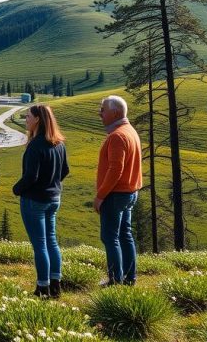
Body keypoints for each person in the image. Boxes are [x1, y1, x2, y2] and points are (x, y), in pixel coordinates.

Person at [12, 103, 69, 298]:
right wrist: (52, 183)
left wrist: (16, 189)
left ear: (37, 119)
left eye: (28, 116)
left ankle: (42, 287)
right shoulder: (58, 143)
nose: (26, 120)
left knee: (40, 245)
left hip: (34, 200)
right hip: (54, 198)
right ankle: (55, 285)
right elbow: (65, 171)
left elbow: (31, 177)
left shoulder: (35, 145)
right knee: (51, 241)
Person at [93, 95, 143, 286]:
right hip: (130, 192)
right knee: (125, 235)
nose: (100, 113)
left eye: (103, 109)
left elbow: (116, 170)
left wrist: (100, 196)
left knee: (110, 237)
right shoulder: (130, 131)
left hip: (116, 194)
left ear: (115, 112)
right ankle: (130, 279)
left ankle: (115, 280)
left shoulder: (117, 136)